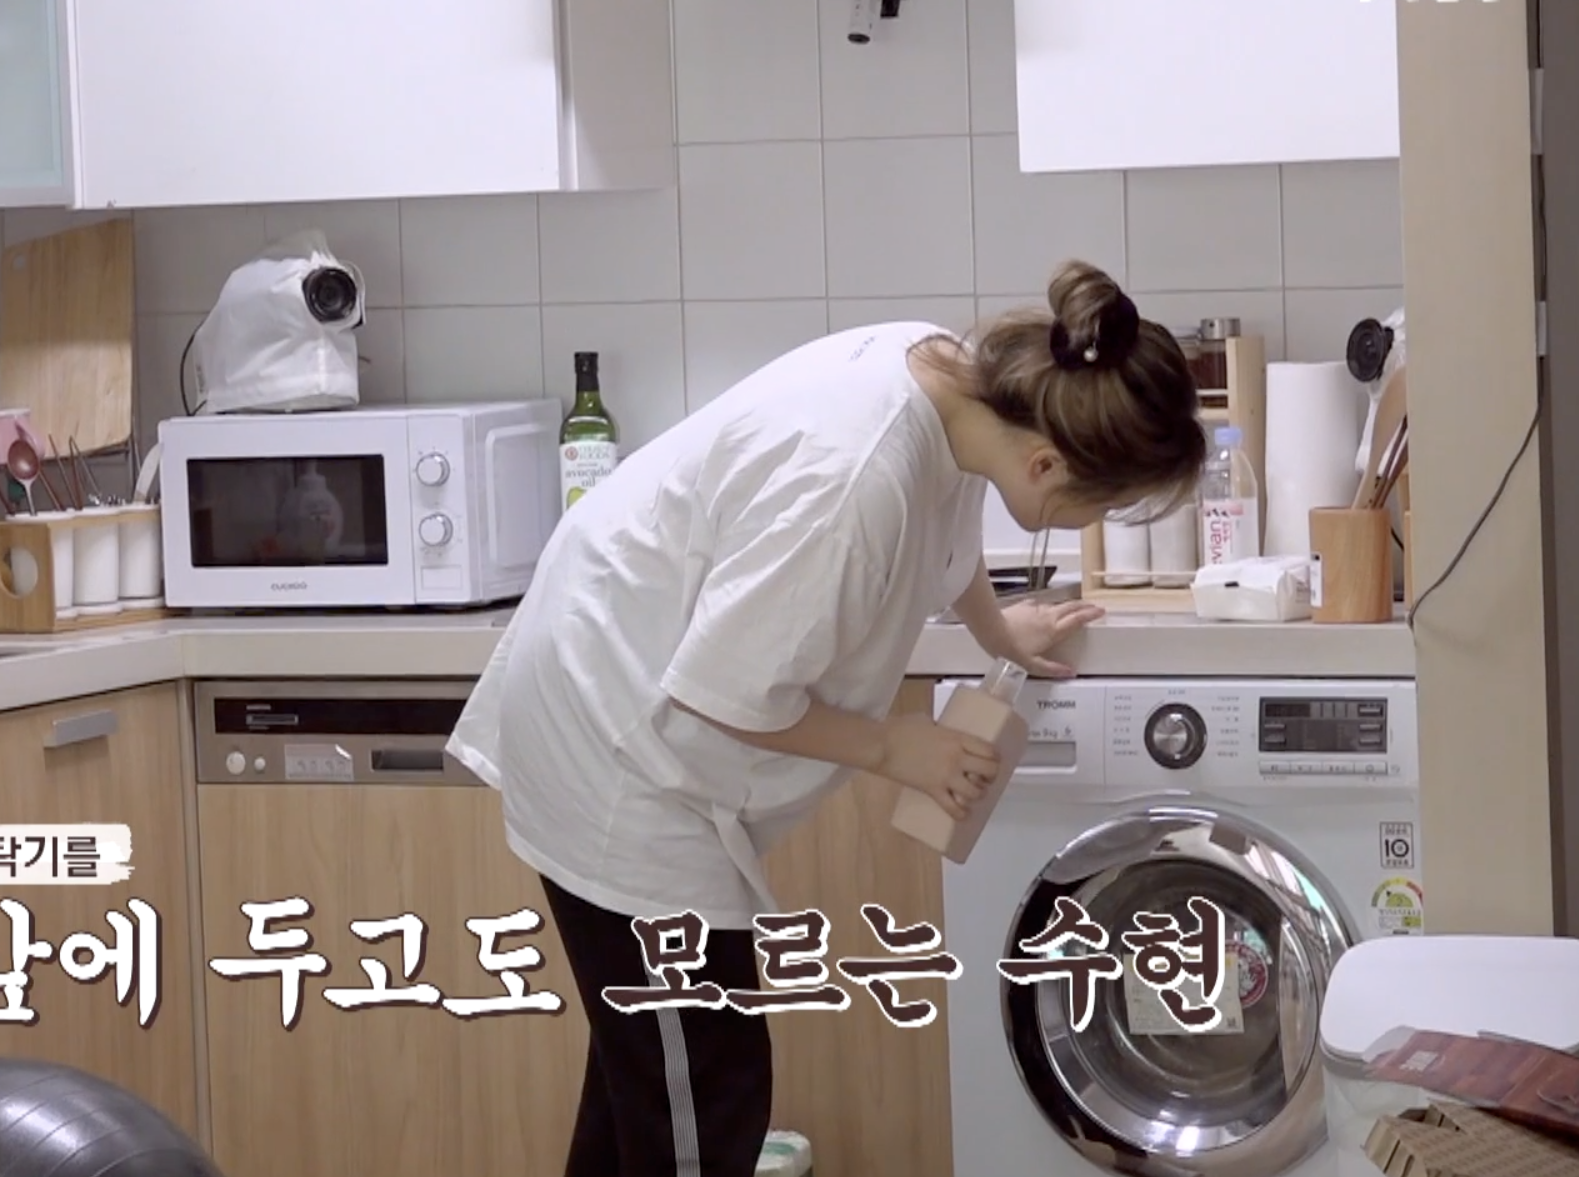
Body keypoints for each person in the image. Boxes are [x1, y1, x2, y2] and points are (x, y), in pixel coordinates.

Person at [445, 260, 1208, 1176]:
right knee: (702, 1098)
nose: (1092, 521)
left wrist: (996, 629)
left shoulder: (956, 383)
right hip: (613, 744)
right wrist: (896, 746)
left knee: (651, 1087)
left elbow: (949, 515)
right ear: (1045, 462)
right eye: (1102, 504)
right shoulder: (850, 485)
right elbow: (724, 691)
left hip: (626, 678)